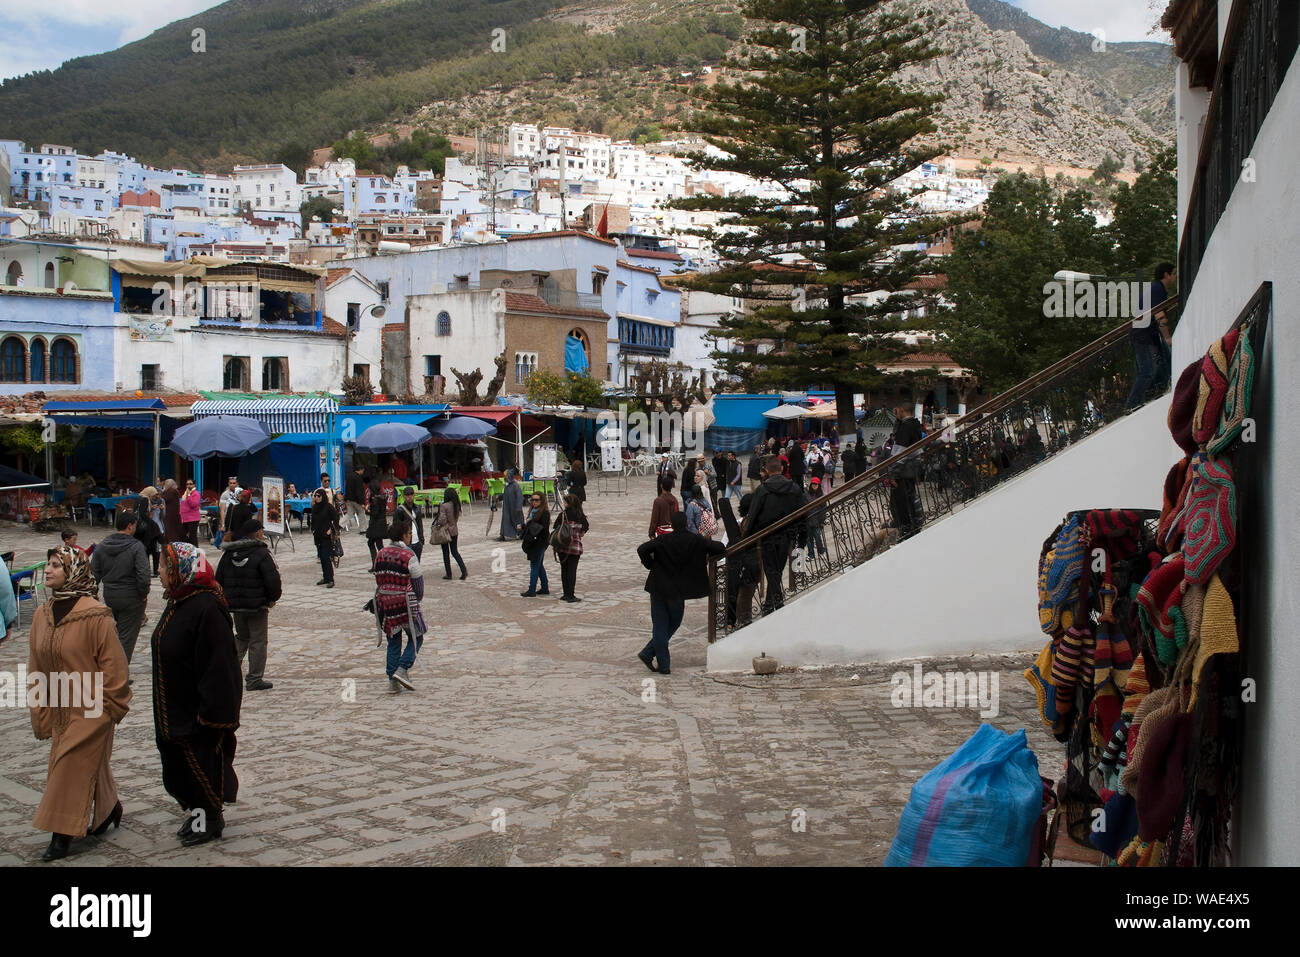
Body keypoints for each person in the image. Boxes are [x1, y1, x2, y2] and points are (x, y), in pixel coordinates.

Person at [28, 545, 131, 861]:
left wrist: (111, 705)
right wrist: (40, 710)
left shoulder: (95, 614)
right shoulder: (42, 615)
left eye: (57, 565)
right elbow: (36, 666)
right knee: (88, 765)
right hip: (59, 708)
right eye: (49, 564)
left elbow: (114, 665)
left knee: (67, 767)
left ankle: (61, 835)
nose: (48, 570)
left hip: (91, 707)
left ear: (73, 570)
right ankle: (110, 808)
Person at [151, 542, 242, 847]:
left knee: (202, 769)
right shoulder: (179, 599)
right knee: (181, 770)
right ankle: (198, 815)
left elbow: (220, 667)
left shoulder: (207, 608)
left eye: (164, 567)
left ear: (182, 569)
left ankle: (210, 821)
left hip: (198, 715)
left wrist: (213, 714)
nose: (160, 572)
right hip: (174, 709)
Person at [635, 512, 726, 675]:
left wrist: (650, 564)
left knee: (661, 625)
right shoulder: (696, 540)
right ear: (686, 524)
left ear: (671, 524)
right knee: (673, 623)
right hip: (678, 591)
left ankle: (650, 654)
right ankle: (661, 662)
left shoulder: (663, 540)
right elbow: (720, 548)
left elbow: (642, 549)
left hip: (659, 587)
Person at [216, 518, 282, 692]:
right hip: (257, 605)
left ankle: (227, 674)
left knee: (242, 637)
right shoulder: (261, 554)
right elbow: (272, 579)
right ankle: (254, 679)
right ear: (257, 533)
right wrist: (273, 598)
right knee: (258, 641)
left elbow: (219, 579)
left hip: (236, 606)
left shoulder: (229, 554)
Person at [743, 455, 805, 614]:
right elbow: (803, 513)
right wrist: (802, 537)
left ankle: (776, 604)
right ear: (782, 469)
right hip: (787, 535)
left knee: (772, 571)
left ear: (766, 471)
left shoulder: (762, 490)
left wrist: (746, 540)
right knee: (776, 570)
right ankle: (770, 606)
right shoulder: (794, 488)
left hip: (767, 536)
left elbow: (753, 515)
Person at [91, 509, 151, 668]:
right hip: (132, 597)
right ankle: (118, 673)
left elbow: (93, 574)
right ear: (130, 526)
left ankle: (111, 666)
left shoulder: (102, 546)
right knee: (126, 637)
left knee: (117, 633)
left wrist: (91, 595)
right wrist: (143, 594)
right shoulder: (136, 547)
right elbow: (143, 575)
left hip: (110, 595)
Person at [373, 515, 426, 693]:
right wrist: (417, 599)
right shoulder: (408, 555)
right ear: (403, 535)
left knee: (393, 640)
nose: (410, 536)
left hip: (385, 603)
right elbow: (418, 583)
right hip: (405, 602)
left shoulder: (380, 554)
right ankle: (402, 669)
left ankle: (392, 681)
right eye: (409, 534)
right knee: (417, 636)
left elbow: (378, 578)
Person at [1125, 262, 1177, 411]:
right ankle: (1132, 403)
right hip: (1141, 334)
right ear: (1166, 275)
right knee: (1146, 371)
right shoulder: (1157, 289)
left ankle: (1156, 389)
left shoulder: (1158, 289)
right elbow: (1159, 314)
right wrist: (1167, 338)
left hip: (1148, 332)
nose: (1176, 277)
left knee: (1167, 360)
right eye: (1174, 273)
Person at [718, 494, 760, 626]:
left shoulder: (746, 524)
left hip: (740, 565)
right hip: (745, 566)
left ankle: (733, 621)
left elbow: (725, 542)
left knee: (738, 595)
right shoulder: (749, 524)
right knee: (740, 595)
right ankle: (735, 621)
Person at [552, 492, 589, 603]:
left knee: (564, 570)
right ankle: (571, 594)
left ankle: (565, 594)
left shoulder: (563, 515)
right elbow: (583, 532)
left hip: (562, 546)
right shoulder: (581, 516)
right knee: (572, 570)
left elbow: (555, 528)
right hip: (575, 547)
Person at [520, 491, 551, 597]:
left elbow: (543, 529)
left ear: (542, 501)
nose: (534, 502)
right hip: (533, 542)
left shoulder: (544, 513)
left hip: (539, 542)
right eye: (532, 500)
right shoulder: (533, 511)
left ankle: (531, 590)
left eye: (536, 500)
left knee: (534, 565)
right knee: (539, 565)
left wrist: (529, 523)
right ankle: (545, 588)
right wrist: (524, 526)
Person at [435, 486, 467, 580]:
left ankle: (449, 574)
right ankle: (463, 570)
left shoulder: (444, 506)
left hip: (445, 532)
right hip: (454, 531)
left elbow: (442, 520)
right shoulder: (456, 505)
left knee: (445, 553)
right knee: (455, 551)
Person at [132, 486, 164, 575]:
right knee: (152, 548)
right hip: (145, 529)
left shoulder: (138, 498)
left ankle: (146, 569)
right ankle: (154, 570)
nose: (154, 497)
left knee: (145, 549)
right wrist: (151, 522)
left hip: (137, 528)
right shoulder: (145, 500)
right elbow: (142, 514)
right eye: (153, 495)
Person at [311, 489, 338, 588]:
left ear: (323, 496)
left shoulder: (328, 507)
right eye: (315, 496)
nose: (317, 498)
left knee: (326, 557)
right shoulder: (315, 508)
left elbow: (336, 518)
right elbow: (312, 520)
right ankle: (325, 577)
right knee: (321, 558)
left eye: (319, 496)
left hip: (326, 536)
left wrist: (331, 529)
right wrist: (312, 529)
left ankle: (330, 579)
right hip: (318, 536)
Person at [648, 474, 679, 539]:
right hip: (672, 531)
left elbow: (654, 519)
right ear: (671, 487)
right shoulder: (674, 500)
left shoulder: (658, 501)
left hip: (661, 533)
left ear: (661, 486)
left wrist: (651, 532)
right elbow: (676, 516)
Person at [398, 486, 425, 560]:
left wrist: (421, 539)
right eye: (407, 495)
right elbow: (397, 527)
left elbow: (420, 524)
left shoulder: (417, 508)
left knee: (417, 564)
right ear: (404, 496)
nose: (410, 497)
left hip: (417, 541)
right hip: (407, 542)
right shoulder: (400, 510)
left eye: (411, 494)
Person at [366, 480, 389, 568]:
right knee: (379, 544)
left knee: (371, 543)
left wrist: (368, 510)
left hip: (375, 525)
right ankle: (382, 562)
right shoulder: (383, 497)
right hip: (382, 523)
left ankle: (376, 564)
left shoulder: (375, 499)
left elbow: (374, 513)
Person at [805, 476, 829, 560]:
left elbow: (823, 509)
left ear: (819, 485)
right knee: (808, 539)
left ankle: (821, 552)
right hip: (808, 520)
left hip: (817, 520)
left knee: (818, 538)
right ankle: (811, 555)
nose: (814, 486)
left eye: (816, 484)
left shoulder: (821, 496)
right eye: (813, 484)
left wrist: (822, 520)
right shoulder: (806, 495)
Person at [498, 468, 525, 542]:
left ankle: (521, 533)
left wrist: (518, 507)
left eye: (505, 477)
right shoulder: (507, 486)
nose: (504, 478)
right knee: (505, 520)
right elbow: (506, 494)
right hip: (507, 507)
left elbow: (519, 497)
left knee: (517, 522)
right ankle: (503, 534)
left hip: (515, 508)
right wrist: (499, 497)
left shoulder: (515, 486)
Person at [216, 476, 241, 548]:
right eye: (231, 483)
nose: (232, 484)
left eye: (234, 483)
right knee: (228, 539)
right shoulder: (224, 494)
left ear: (237, 484)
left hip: (239, 519)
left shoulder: (241, 493)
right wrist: (223, 524)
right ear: (228, 484)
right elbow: (222, 510)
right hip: (228, 520)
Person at [345, 464, 367, 531]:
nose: (363, 472)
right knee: (361, 513)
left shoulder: (349, 476)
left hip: (349, 498)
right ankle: (363, 529)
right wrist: (361, 502)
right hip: (356, 500)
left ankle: (339, 525)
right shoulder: (358, 478)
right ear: (360, 470)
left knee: (349, 514)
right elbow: (359, 491)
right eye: (363, 470)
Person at [180, 478, 201, 546]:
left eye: (190, 484)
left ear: (194, 485)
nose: (188, 486)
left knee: (192, 537)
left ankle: (196, 550)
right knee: (182, 535)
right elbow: (183, 505)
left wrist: (189, 496)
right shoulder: (185, 494)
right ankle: (189, 547)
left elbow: (193, 504)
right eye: (187, 484)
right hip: (185, 519)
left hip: (193, 519)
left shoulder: (196, 494)